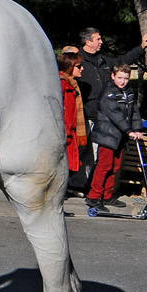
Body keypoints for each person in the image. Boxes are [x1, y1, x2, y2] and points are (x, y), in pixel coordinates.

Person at [86, 64, 144, 214]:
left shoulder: (128, 92)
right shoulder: (108, 92)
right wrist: (129, 131)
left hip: (120, 137)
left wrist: (137, 128)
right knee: (104, 165)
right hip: (107, 135)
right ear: (113, 76)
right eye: (119, 78)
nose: (123, 81)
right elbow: (115, 115)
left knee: (115, 166)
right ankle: (94, 196)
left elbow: (134, 112)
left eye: (125, 78)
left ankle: (107, 195)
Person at [76, 26, 147, 117]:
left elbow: (123, 60)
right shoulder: (76, 62)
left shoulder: (103, 60)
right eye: (98, 39)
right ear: (88, 42)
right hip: (88, 115)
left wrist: (141, 47)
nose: (101, 42)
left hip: (107, 113)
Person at [57, 50, 87, 197]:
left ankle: (60, 195)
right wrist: (65, 131)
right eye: (78, 66)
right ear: (70, 67)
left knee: (66, 166)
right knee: (60, 167)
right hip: (64, 133)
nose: (82, 69)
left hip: (70, 133)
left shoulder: (71, 84)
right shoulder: (62, 84)